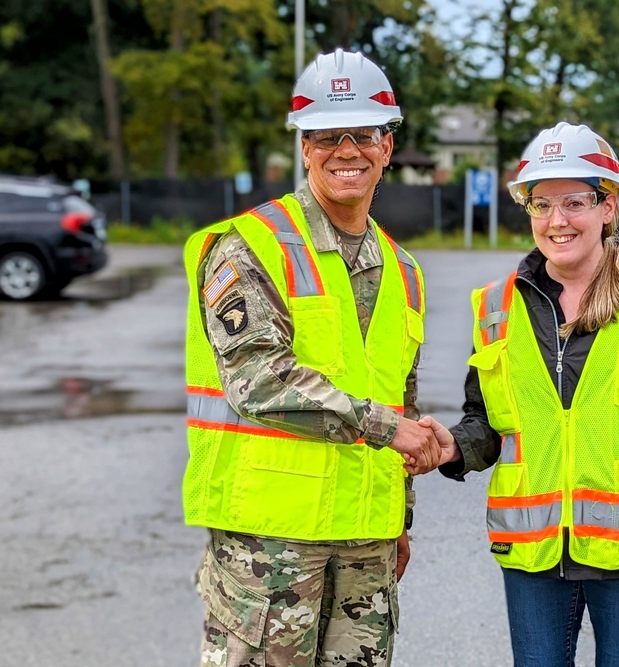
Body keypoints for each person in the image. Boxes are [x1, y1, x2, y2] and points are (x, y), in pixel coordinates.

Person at [423, 122, 619, 667]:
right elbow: (487, 422)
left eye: (575, 202)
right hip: (532, 557)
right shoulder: (496, 308)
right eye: (542, 204)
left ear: (608, 207)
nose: (557, 221)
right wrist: (453, 447)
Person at [181, 48, 440, 667]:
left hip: (365, 544)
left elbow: (398, 395)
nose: (346, 149)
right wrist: (389, 430)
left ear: (387, 145)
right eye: (327, 134)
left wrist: (398, 519)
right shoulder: (251, 247)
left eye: (363, 133)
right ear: (304, 146)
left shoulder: (403, 270)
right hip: (270, 543)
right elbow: (259, 381)